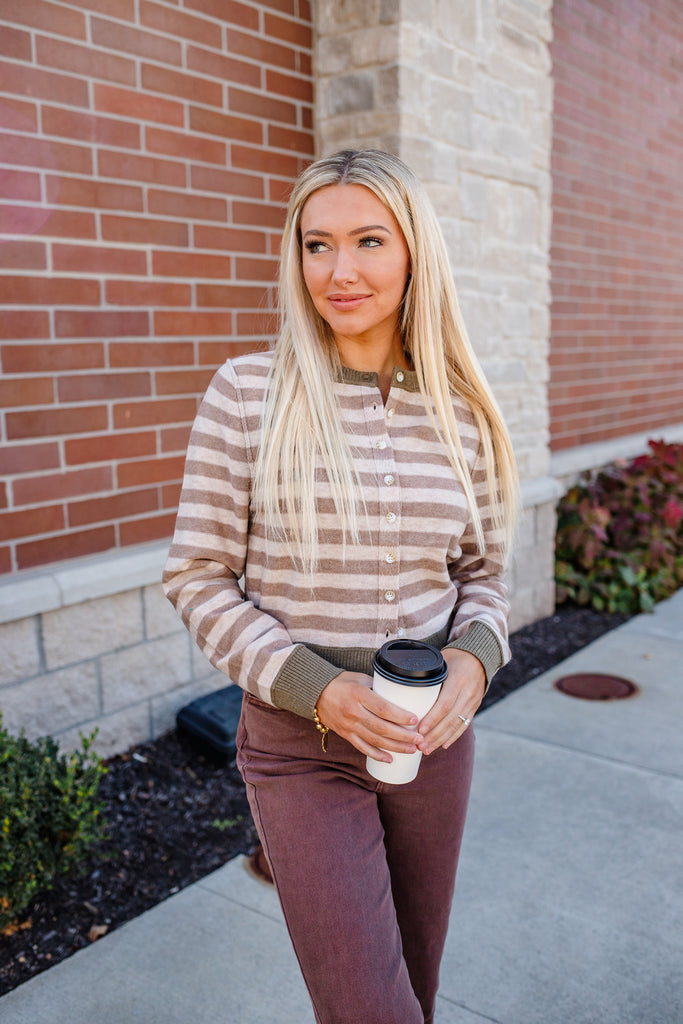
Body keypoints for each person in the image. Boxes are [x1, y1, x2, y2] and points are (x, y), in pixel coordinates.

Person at [163, 149, 519, 1024]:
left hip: (433, 745)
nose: (340, 270)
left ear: (413, 253)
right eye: (316, 245)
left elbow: (482, 578)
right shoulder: (248, 394)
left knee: (416, 994)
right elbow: (198, 578)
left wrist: (474, 662)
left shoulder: (462, 413)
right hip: (297, 749)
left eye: (367, 240)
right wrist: (317, 689)